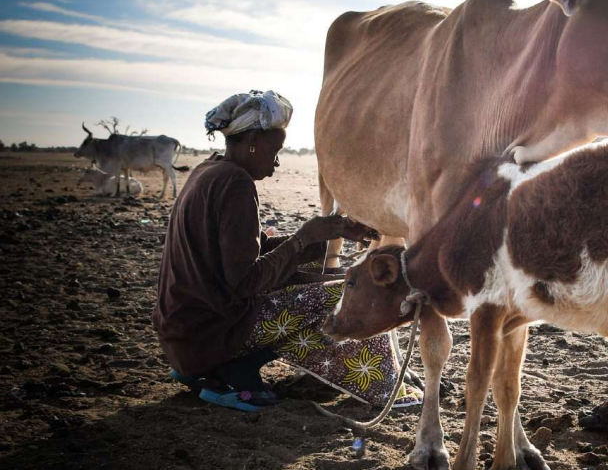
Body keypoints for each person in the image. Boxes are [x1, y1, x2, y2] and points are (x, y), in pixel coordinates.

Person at [152, 90, 422, 411]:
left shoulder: (208, 172)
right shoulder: (235, 183)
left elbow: (242, 255)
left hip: (184, 335)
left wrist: (319, 236)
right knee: (346, 295)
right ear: (252, 139)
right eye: (275, 149)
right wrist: (301, 240)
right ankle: (389, 390)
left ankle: (236, 368)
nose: (277, 161)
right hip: (211, 335)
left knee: (325, 282)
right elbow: (246, 281)